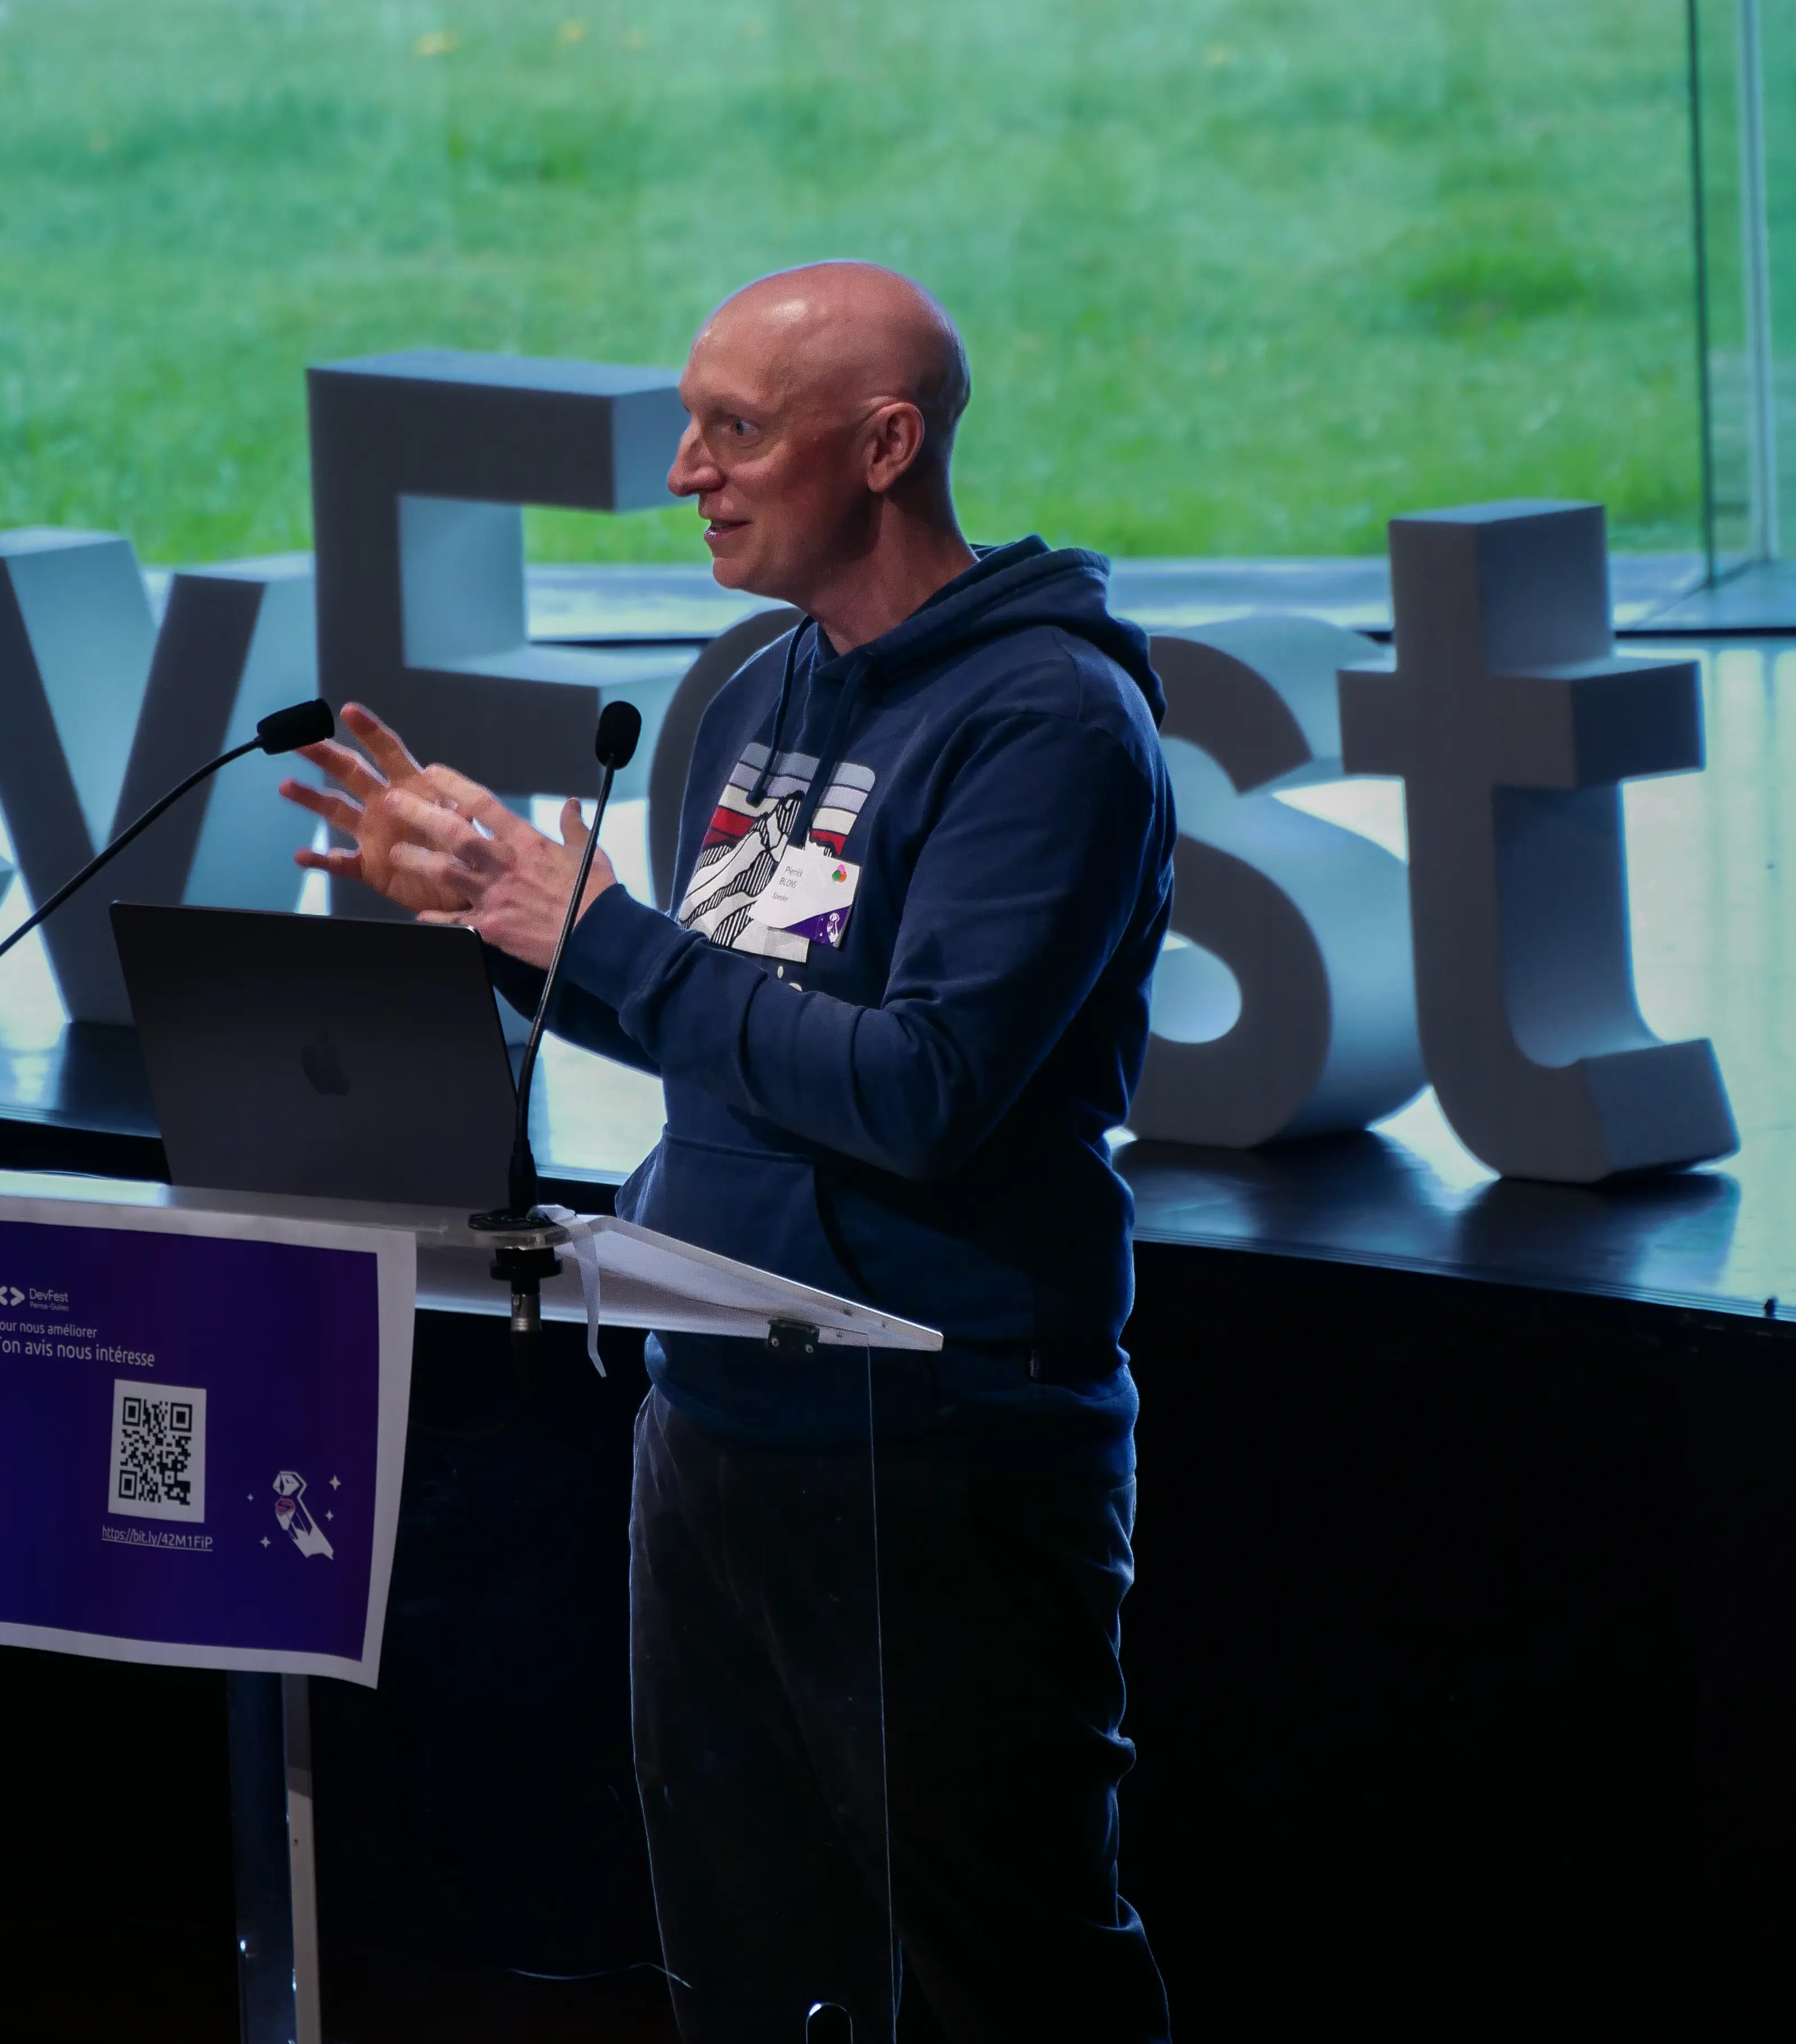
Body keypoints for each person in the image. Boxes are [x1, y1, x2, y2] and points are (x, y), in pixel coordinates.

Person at [283, 261, 1177, 2043]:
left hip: (933, 1434)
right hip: (715, 1410)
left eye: (737, 430)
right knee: (746, 1961)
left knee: (1007, 1967)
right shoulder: (768, 688)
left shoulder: (1048, 725)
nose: (687, 469)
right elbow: (730, 1037)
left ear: (888, 445)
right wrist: (497, 919)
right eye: (691, 425)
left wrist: (599, 930)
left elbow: (923, 1087)